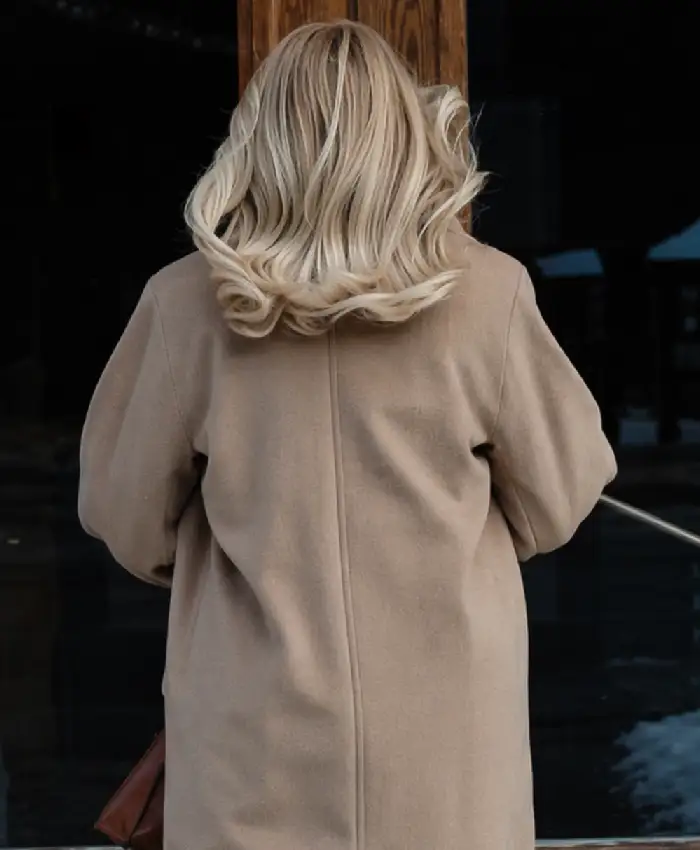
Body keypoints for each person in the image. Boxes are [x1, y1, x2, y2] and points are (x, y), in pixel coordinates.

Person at [78, 19, 616, 850]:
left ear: (258, 139)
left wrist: (219, 560)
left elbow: (126, 516)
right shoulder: (488, 294)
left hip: (251, 735)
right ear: (405, 134)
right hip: (447, 743)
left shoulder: (185, 304)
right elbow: (561, 497)